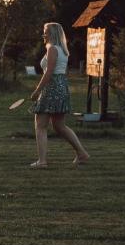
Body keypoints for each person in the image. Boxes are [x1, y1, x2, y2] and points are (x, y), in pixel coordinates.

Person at [29, 22, 89, 168]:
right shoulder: (62, 49)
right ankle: (82, 154)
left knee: (40, 125)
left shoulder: (51, 49)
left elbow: (49, 72)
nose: (43, 34)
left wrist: (37, 90)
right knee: (59, 125)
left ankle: (42, 161)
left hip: (52, 87)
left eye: (45, 32)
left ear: (52, 34)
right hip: (61, 86)